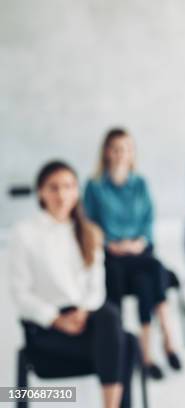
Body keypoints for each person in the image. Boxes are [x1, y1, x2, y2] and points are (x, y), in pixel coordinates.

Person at [9, 161, 137, 408]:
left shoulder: (89, 233)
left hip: (87, 322)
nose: (61, 194)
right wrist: (57, 319)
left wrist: (83, 312)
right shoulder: (24, 234)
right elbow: (20, 293)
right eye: (53, 188)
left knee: (121, 333)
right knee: (123, 339)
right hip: (47, 331)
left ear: (77, 191)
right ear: (41, 192)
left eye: (68, 187)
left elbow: (96, 289)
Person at [83, 128, 181, 380]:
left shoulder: (140, 184)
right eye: (115, 148)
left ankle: (160, 343)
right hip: (111, 254)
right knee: (141, 277)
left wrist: (139, 242)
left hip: (139, 252)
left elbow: (149, 221)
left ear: (132, 153)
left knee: (151, 273)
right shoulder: (94, 187)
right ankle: (149, 354)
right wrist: (109, 244)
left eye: (125, 148)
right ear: (106, 152)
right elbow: (88, 224)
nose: (120, 154)